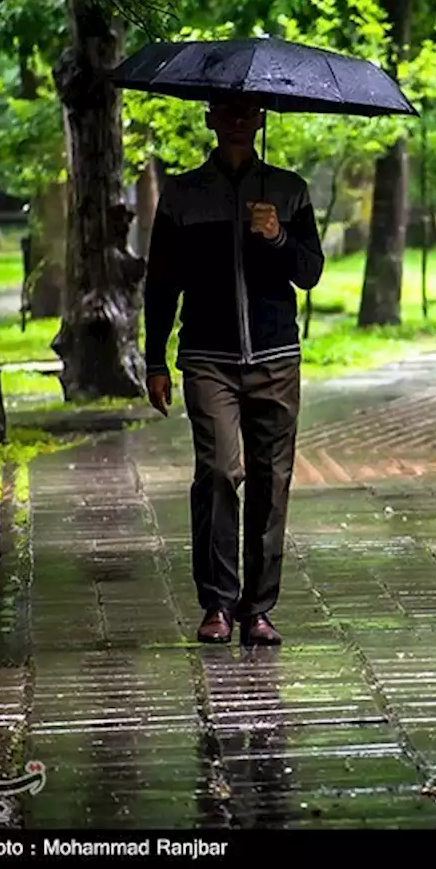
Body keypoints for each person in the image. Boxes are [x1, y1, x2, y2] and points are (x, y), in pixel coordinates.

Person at [142, 98, 324, 646]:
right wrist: (154, 359)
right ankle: (216, 603)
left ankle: (258, 609)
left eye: (249, 112)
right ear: (211, 119)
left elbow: (310, 273)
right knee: (220, 471)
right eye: (229, 111)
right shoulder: (182, 194)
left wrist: (277, 237)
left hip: (275, 360)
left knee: (272, 482)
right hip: (207, 357)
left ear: (262, 119)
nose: (240, 120)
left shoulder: (289, 191)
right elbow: (161, 282)